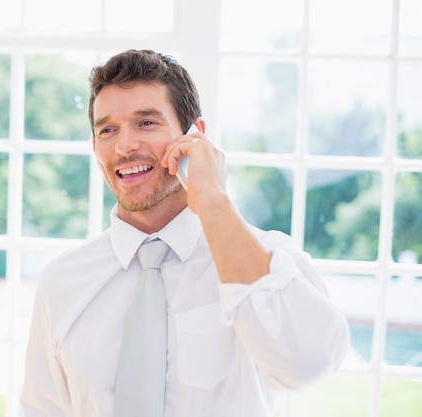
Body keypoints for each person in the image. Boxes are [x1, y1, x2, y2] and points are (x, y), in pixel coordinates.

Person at [20, 49, 350, 417]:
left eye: (146, 122)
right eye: (108, 129)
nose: (125, 145)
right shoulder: (61, 281)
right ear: (96, 148)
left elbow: (307, 365)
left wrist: (211, 198)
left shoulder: (264, 258)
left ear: (195, 136)